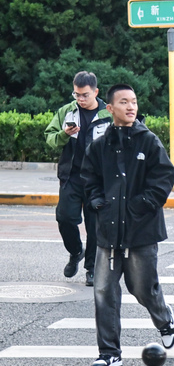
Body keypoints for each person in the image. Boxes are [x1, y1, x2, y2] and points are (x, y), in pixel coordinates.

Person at [81, 84, 174, 366]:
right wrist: (100, 203)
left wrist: (140, 206)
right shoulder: (99, 145)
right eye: (123, 102)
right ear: (109, 108)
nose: (131, 107)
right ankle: (109, 352)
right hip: (108, 232)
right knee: (103, 291)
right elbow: (89, 179)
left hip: (141, 231)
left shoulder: (148, 141)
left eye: (133, 101)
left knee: (142, 289)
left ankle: (164, 318)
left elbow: (164, 176)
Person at [44, 71, 112, 286]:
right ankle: (75, 252)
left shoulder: (108, 114)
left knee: (94, 227)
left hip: (98, 181)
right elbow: (50, 139)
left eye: (84, 95)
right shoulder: (66, 111)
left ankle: (91, 269)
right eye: (76, 94)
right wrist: (64, 134)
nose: (80, 99)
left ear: (96, 92)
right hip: (71, 176)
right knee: (64, 218)